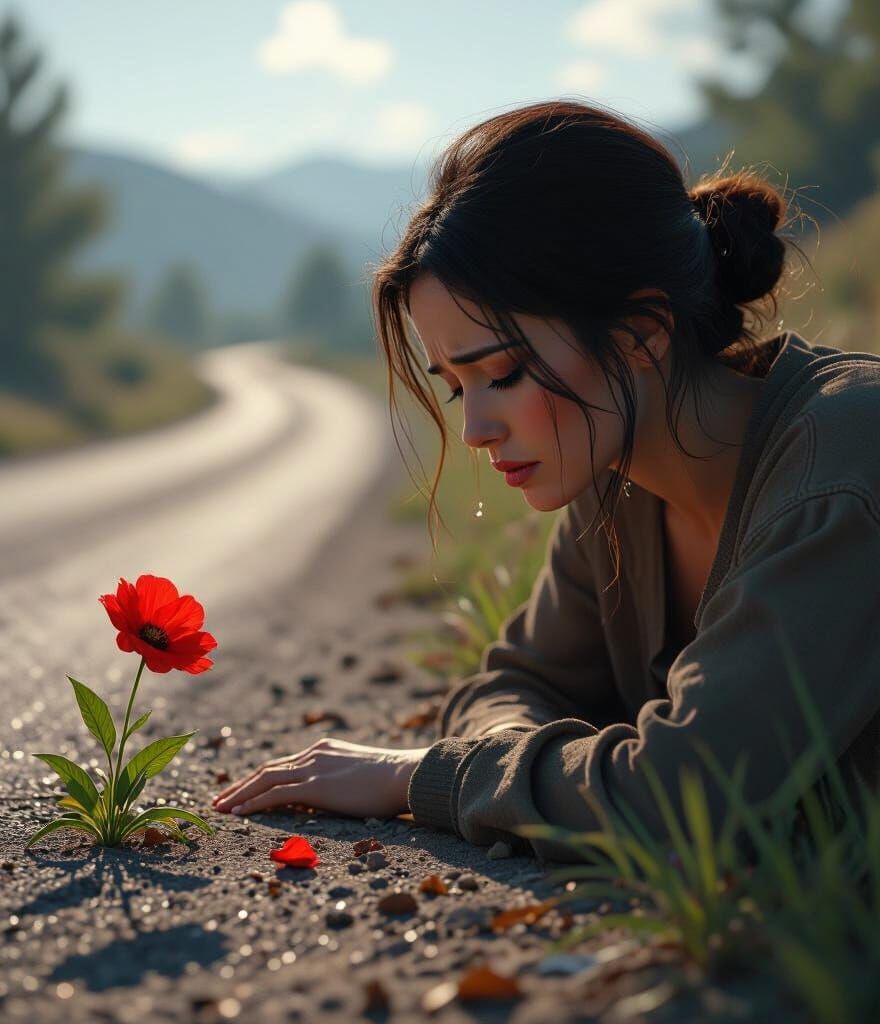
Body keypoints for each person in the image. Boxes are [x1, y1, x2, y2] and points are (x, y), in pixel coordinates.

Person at [213, 100, 880, 863]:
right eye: (459, 387)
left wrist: (420, 779)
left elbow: (690, 794)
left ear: (640, 333)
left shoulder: (847, 461)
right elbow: (511, 685)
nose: (475, 430)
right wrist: (523, 766)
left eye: (502, 372)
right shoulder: (616, 483)